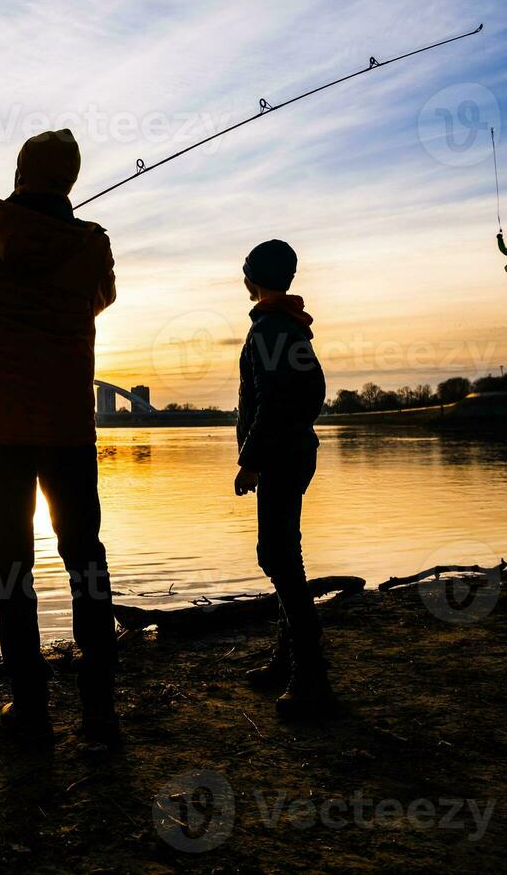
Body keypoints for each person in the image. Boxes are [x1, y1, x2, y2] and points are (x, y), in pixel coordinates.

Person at [0, 128, 121, 749]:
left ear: (18, 174)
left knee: (11, 569)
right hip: (67, 430)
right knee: (85, 559)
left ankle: (32, 711)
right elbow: (103, 298)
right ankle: (98, 715)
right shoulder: (91, 243)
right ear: (69, 181)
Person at [233, 239, 333, 719]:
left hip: (280, 455)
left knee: (277, 556)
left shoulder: (271, 328)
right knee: (280, 552)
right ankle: (288, 659)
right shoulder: (288, 325)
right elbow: (313, 392)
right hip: (293, 450)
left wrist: (251, 459)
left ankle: (310, 676)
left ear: (252, 279)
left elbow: (271, 401)